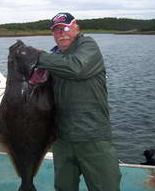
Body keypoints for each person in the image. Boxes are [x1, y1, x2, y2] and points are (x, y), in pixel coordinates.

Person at [15, 12, 122, 191]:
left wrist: (37, 57)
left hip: (92, 137)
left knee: (106, 187)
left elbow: (76, 67)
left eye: (65, 28)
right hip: (62, 139)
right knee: (64, 187)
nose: (62, 33)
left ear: (76, 28)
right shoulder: (53, 56)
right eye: (56, 31)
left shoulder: (88, 46)